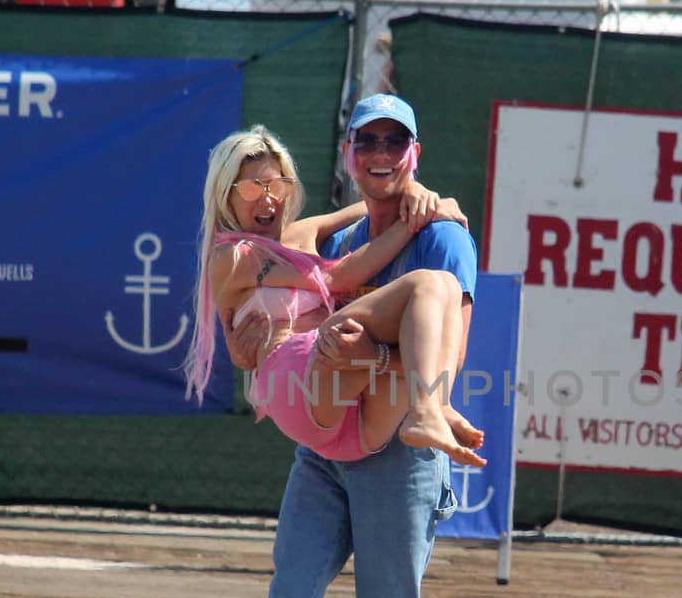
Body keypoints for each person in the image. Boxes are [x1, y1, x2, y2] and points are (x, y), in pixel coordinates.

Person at [216, 94, 478, 598]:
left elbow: (451, 341)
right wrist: (262, 341)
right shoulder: (332, 238)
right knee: (288, 597)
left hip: (401, 450)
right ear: (349, 155)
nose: (382, 152)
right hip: (325, 451)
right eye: (369, 141)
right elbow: (288, 324)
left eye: (397, 139)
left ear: (415, 153)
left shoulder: (445, 236)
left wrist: (373, 349)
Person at [181, 125, 483, 467]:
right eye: (252, 188)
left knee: (443, 283)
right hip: (299, 381)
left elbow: (374, 204)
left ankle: (431, 407)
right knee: (425, 285)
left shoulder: (300, 234)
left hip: (354, 423)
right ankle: (431, 409)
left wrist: (419, 194)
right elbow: (337, 277)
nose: (268, 199)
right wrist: (412, 222)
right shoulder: (233, 255)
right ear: (226, 195)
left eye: (277, 185)